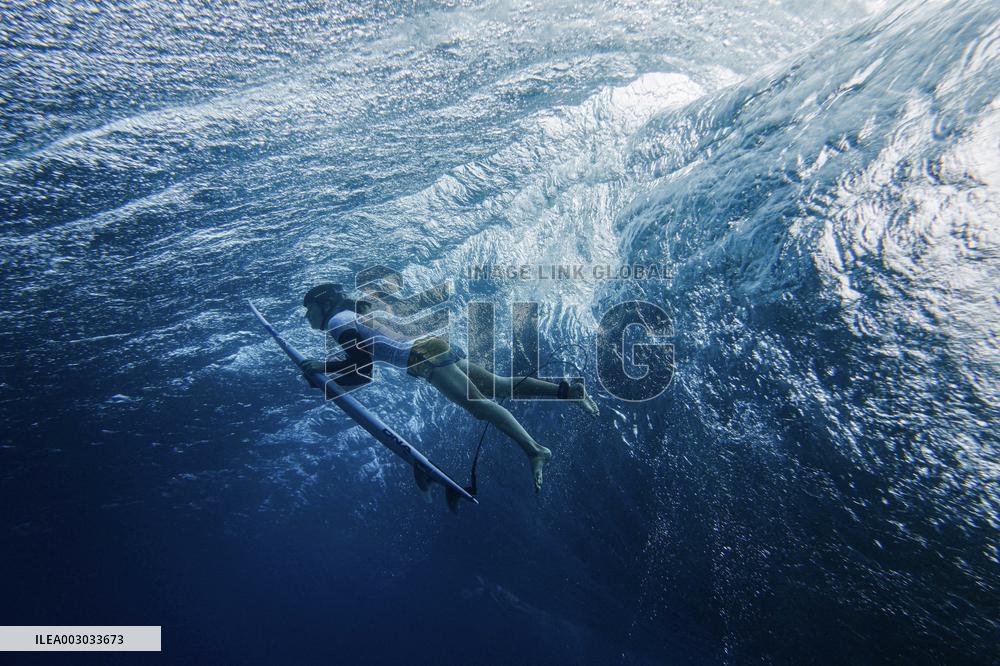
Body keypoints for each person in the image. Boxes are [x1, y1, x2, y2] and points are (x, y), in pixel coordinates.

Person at [298, 283, 598, 492]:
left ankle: (535, 451)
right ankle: (567, 391)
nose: (307, 316)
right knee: (498, 386)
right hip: (431, 347)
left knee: (479, 405)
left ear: (323, 304)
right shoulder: (349, 316)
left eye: (308, 308)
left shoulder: (338, 321)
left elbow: (362, 369)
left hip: (423, 356)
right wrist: (325, 376)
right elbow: (362, 372)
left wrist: (321, 369)